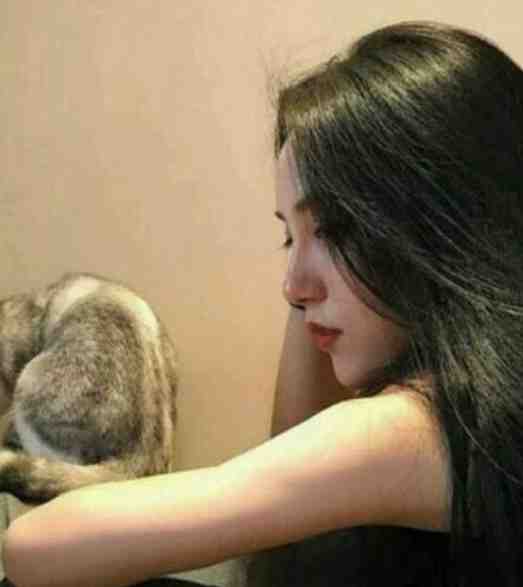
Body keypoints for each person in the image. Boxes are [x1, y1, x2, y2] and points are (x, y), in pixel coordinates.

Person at [3, 19, 523, 586]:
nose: (293, 288)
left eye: (335, 229)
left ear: (449, 221)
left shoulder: (416, 431)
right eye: (288, 236)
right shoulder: (480, 406)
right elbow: (295, 455)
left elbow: (35, 547)